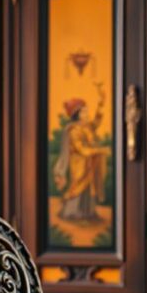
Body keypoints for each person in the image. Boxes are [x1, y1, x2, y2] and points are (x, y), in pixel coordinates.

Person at [53, 85, 107, 221]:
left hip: (89, 163)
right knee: (78, 188)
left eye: (87, 111)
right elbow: (81, 150)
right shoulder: (74, 131)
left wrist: (101, 102)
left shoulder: (86, 126)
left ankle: (88, 214)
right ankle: (70, 213)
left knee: (89, 189)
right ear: (77, 115)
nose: (87, 114)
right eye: (84, 112)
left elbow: (96, 122)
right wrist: (100, 150)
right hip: (79, 164)